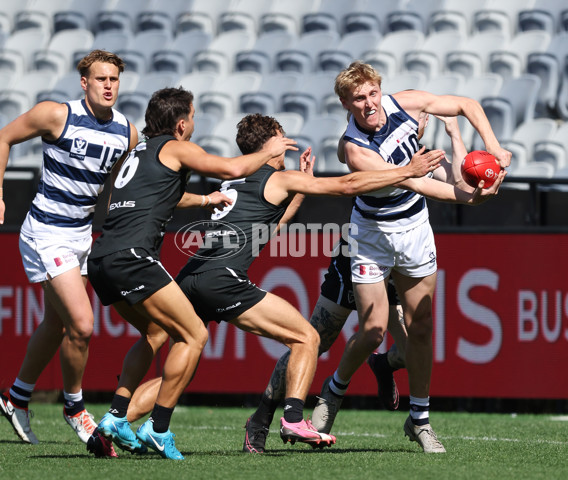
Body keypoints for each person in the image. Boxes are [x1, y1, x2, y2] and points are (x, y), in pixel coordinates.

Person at [113, 111, 500, 455]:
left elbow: (265, 228)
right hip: (276, 268)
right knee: (310, 337)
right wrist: (406, 170)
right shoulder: (280, 174)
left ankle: (113, 421)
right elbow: (347, 185)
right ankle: (293, 415)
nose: (287, 145)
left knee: (177, 368)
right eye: (281, 139)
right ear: (270, 146)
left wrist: (300, 185)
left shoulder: (239, 182)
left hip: (193, 275)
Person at [241, 112, 475, 454]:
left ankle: (383, 368)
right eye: (417, 113)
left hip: (401, 256)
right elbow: (343, 148)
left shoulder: (417, 148)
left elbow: (457, 185)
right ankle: (269, 416)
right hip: (360, 250)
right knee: (316, 339)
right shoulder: (364, 144)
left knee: (414, 347)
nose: (420, 117)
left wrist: (455, 136)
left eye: (425, 114)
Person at [85, 88, 298, 461]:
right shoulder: (177, 147)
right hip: (132, 257)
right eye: (194, 117)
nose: (195, 124)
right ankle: (158, 429)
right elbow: (233, 168)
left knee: (155, 332)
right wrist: (269, 152)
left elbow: (160, 196)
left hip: (100, 258)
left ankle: (117, 416)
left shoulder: (139, 151)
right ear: (181, 124)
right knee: (194, 334)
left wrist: (204, 200)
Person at [310, 61, 510, 454]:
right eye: (358, 99)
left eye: (371, 94)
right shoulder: (355, 148)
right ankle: (333, 392)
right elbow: (415, 180)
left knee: (420, 328)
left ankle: (419, 420)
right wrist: (465, 196)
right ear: (345, 105)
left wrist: (494, 144)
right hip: (371, 237)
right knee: (373, 331)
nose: (368, 104)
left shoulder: (404, 103)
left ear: (379, 90)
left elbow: (467, 104)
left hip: (415, 231)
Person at [0, 50, 138, 446]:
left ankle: (16, 397)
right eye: (100, 79)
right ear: (84, 82)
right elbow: (2, 139)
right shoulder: (57, 114)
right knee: (83, 326)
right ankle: (75, 407)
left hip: (82, 236)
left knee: (56, 324)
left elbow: (121, 189)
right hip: (46, 232)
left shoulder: (126, 131)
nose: (108, 85)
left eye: (114, 79)